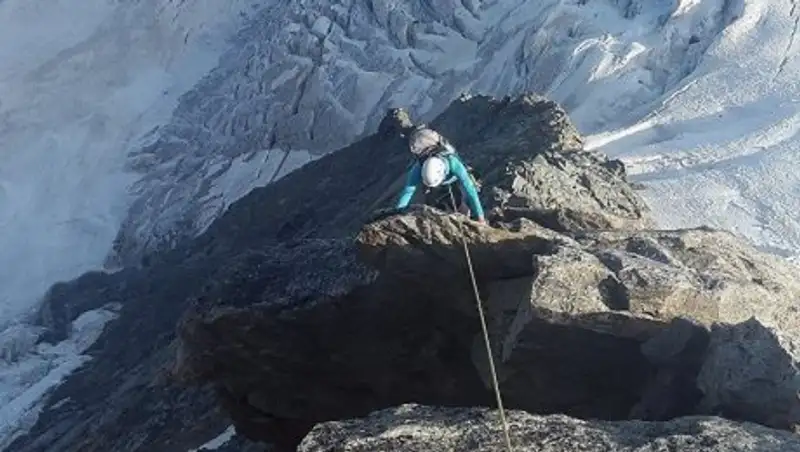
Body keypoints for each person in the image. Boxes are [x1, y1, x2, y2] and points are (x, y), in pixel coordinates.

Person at [395, 125, 486, 223]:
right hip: (437, 185)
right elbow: (408, 192)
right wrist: (397, 214)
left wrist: (480, 217)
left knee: (458, 205)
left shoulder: (454, 164)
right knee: (439, 207)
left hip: (450, 184)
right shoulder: (419, 168)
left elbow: (471, 190)